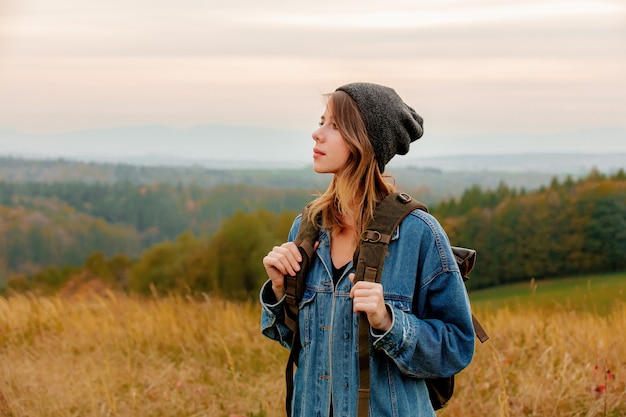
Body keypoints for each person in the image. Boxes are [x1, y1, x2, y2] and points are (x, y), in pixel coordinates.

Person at [260, 82, 475, 417]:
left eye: (334, 125)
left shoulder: (419, 234)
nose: (317, 134)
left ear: (364, 140)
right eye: (321, 121)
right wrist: (279, 289)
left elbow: (457, 347)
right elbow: (303, 344)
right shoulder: (308, 226)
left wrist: (388, 320)